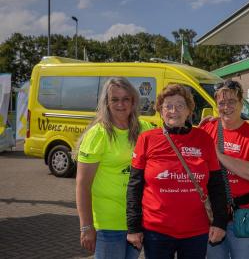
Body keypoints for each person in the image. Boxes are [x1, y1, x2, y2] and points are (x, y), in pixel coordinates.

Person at [126, 84, 228, 259]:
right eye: (168, 106)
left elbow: (216, 185)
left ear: (189, 110)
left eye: (180, 105)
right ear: (160, 110)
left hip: (196, 231)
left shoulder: (203, 139)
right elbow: (135, 186)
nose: (174, 110)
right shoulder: (147, 139)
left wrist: (220, 223)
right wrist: (133, 227)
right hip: (156, 230)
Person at [76, 77, 153, 259]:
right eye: (115, 99)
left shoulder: (145, 129)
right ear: (106, 103)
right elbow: (82, 185)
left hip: (136, 221)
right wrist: (86, 226)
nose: (121, 104)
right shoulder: (98, 134)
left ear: (133, 101)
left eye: (126, 98)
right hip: (108, 224)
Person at [199, 80, 249, 259]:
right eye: (221, 103)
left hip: (244, 215)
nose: (226, 107)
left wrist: (218, 155)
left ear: (241, 103)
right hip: (213, 216)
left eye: (232, 102)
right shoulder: (207, 128)